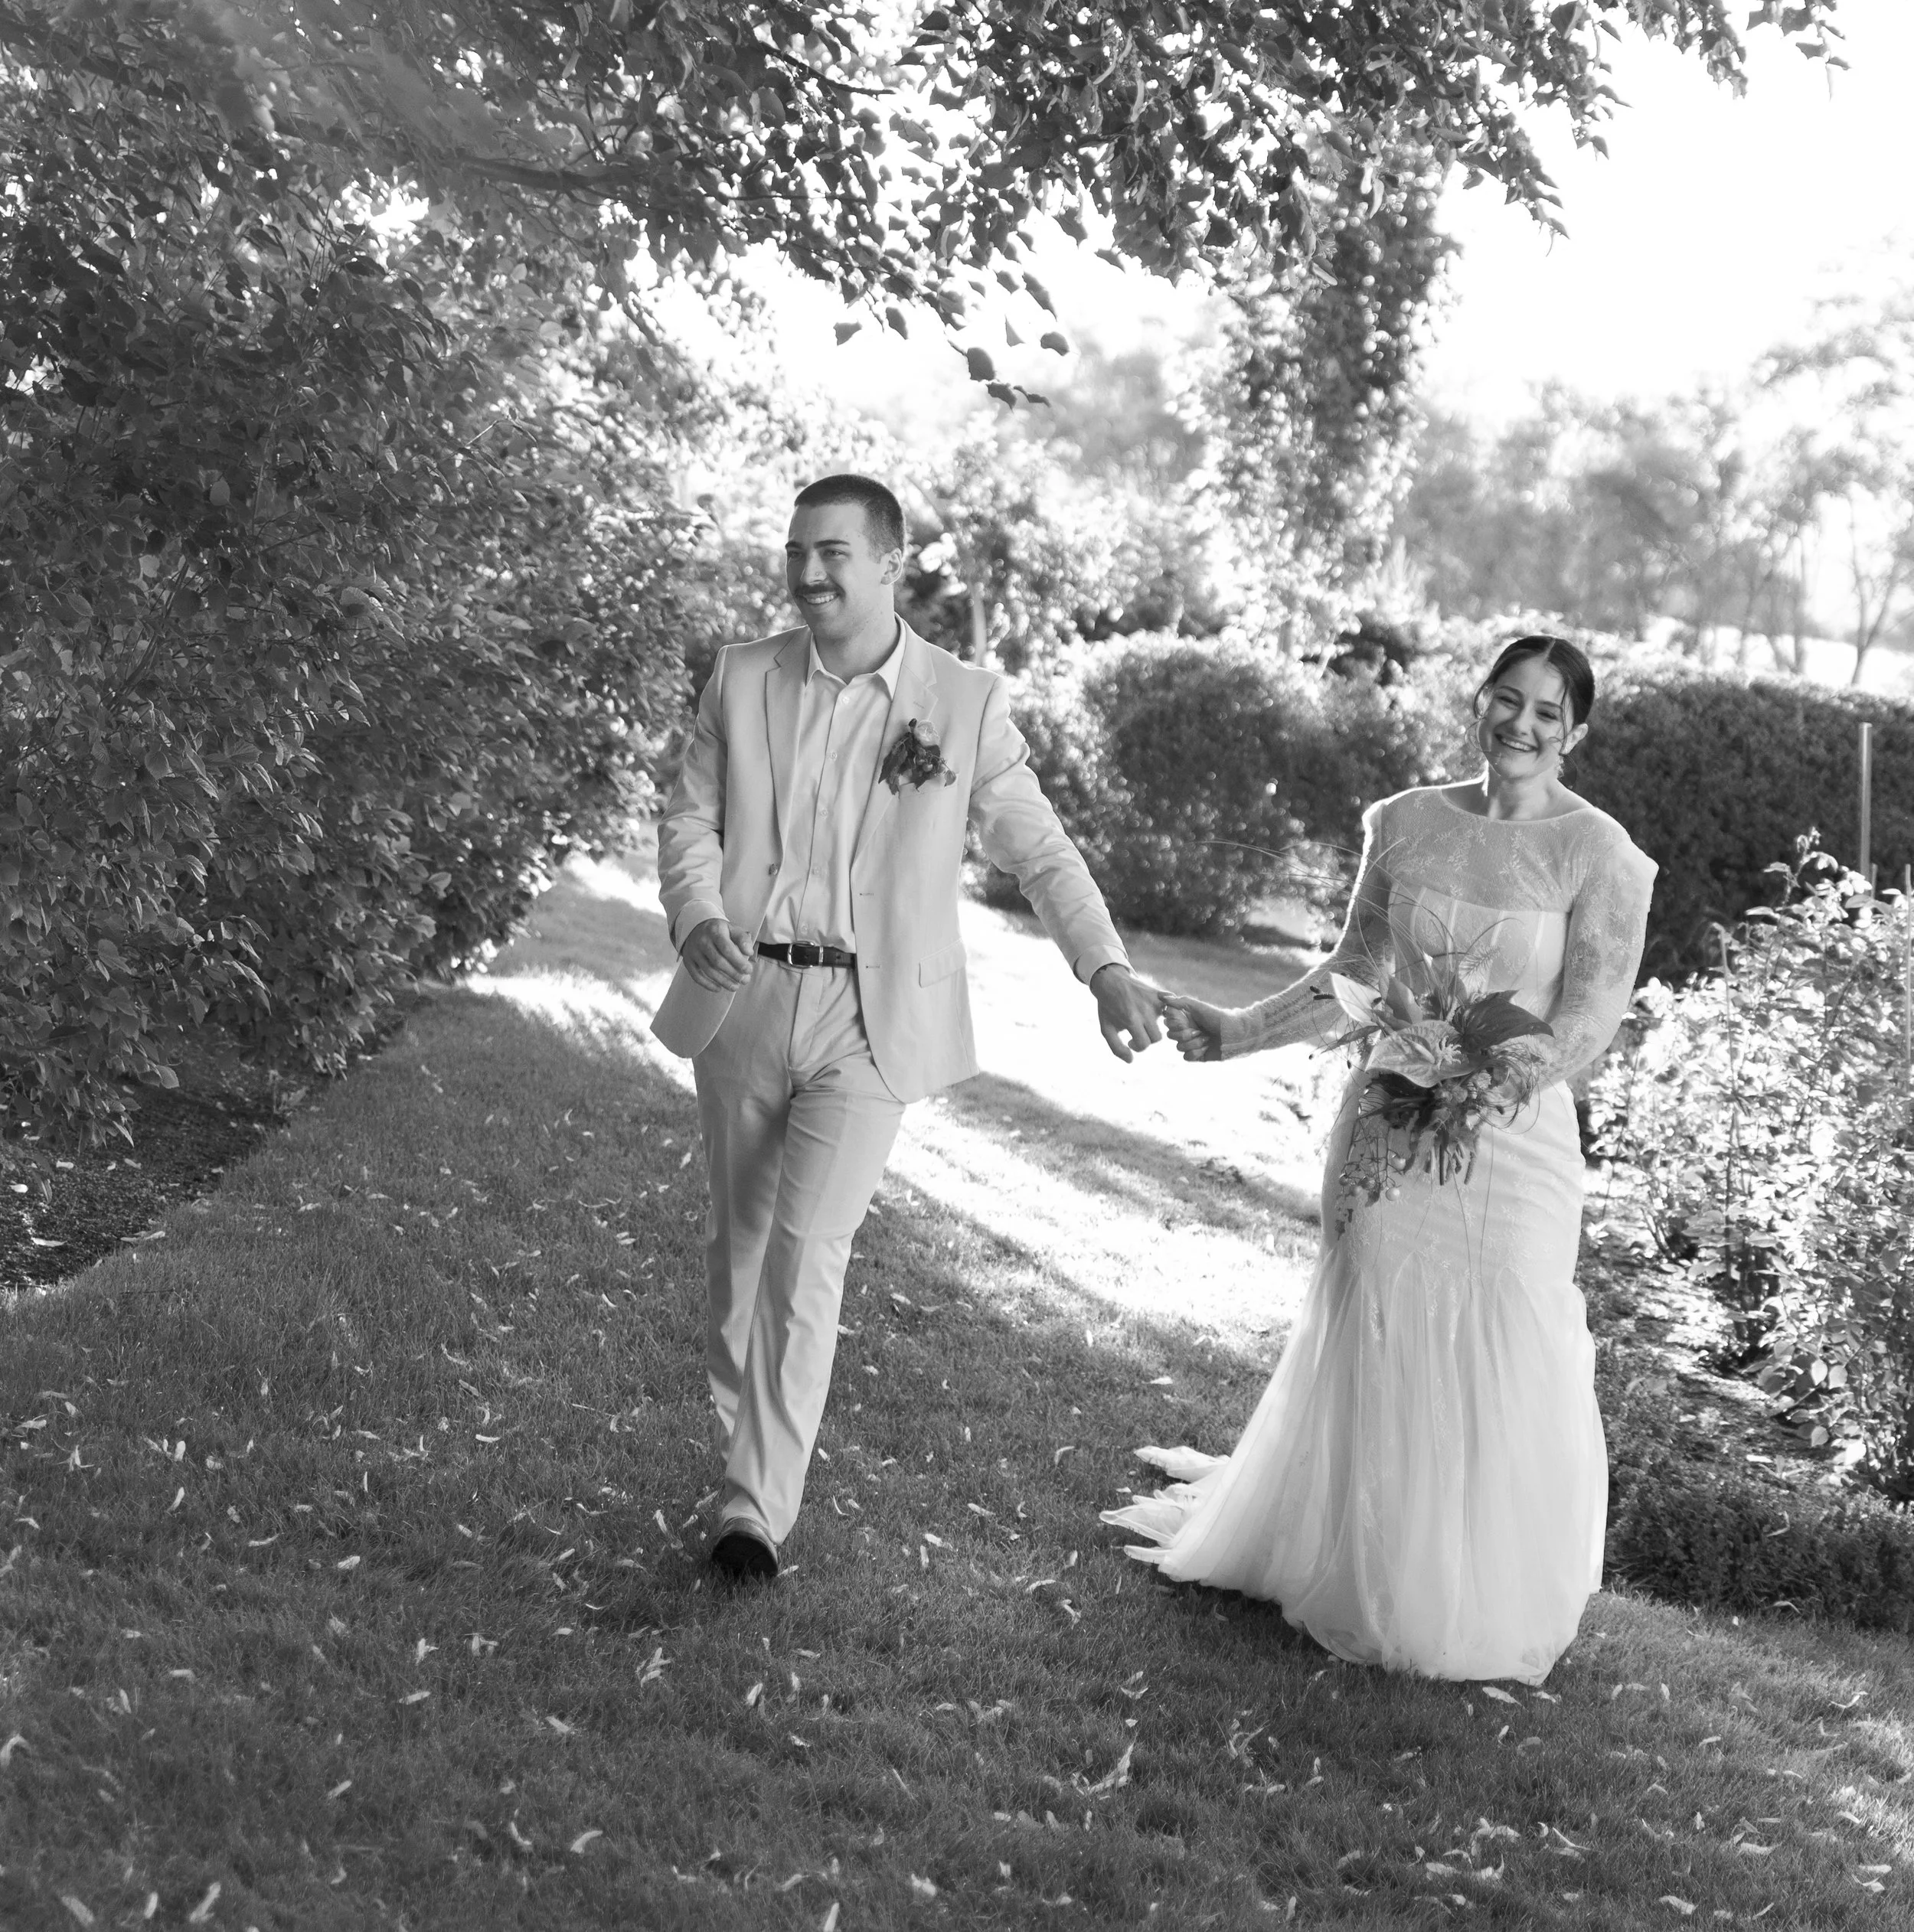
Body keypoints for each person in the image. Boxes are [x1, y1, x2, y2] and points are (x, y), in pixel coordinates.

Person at [1105, 635, 1655, 1683]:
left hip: (1513, 1134)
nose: (1522, 726)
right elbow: (1355, 969)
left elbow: (1590, 1015)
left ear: (1574, 733)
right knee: (1380, 1315)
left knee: (1507, 1324)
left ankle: (1470, 1589)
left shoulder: (1603, 855)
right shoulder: (1403, 822)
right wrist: (1236, 1029)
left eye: (1549, 712)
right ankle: (1360, 1563)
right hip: (1392, 1110)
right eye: (1508, 700)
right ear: (1480, 703)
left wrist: (1505, 1081)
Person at [654, 474, 1164, 1584]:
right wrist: (696, 916)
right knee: (737, 1256)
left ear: (892, 563)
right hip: (741, 993)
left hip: (871, 1020)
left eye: (832, 553)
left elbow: (1039, 851)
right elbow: (691, 815)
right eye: (796, 552)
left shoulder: (962, 703)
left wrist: (1105, 966)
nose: (808, 573)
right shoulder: (743, 679)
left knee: (807, 1250)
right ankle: (748, 1439)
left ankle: (755, 1508)